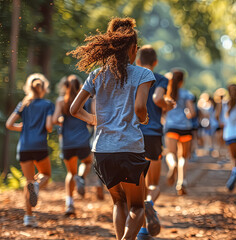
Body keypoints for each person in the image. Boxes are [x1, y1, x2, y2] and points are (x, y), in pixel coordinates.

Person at [68, 18, 155, 239]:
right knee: (137, 206)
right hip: (130, 147)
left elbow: (74, 108)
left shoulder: (97, 74)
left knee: (119, 202)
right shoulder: (143, 74)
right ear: (134, 48)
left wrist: (94, 119)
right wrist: (143, 119)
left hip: (102, 149)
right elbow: (140, 107)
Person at [135, 45, 175, 239]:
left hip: (133, 135)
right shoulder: (161, 78)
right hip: (153, 135)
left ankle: (142, 231)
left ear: (137, 61)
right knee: (153, 184)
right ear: (156, 62)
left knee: (137, 186)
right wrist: (167, 104)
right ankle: (150, 203)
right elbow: (158, 98)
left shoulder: (133, 77)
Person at [6, 73, 54, 227]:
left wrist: (21, 127)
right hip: (39, 145)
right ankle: (38, 186)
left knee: (29, 182)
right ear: (44, 88)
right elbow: (48, 127)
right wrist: (52, 126)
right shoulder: (47, 105)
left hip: (24, 146)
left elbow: (9, 124)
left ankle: (28, 217)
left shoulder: (23, 103)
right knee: (45, 175)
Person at [52, 75, 94, 216]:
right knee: (87, 161)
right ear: (80, 85)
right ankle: (81, 177)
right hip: (82, 141)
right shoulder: (85, 100)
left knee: (70, 173)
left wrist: (62, 120)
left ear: (65, 86)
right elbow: (90, 119)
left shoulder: (61, 101)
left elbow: (54, 120)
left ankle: (69, 204)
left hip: (67, 142)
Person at [164, 69, 196, 195]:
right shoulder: (186, 94)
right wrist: (186, 115)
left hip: (171, 127)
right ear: (182, 81)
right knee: (183, 157)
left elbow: (163, 111)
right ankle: (181, 182)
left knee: (171, 153)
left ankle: (172, 166)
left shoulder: (167, 94)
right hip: (185, 128)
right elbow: (192, 113)